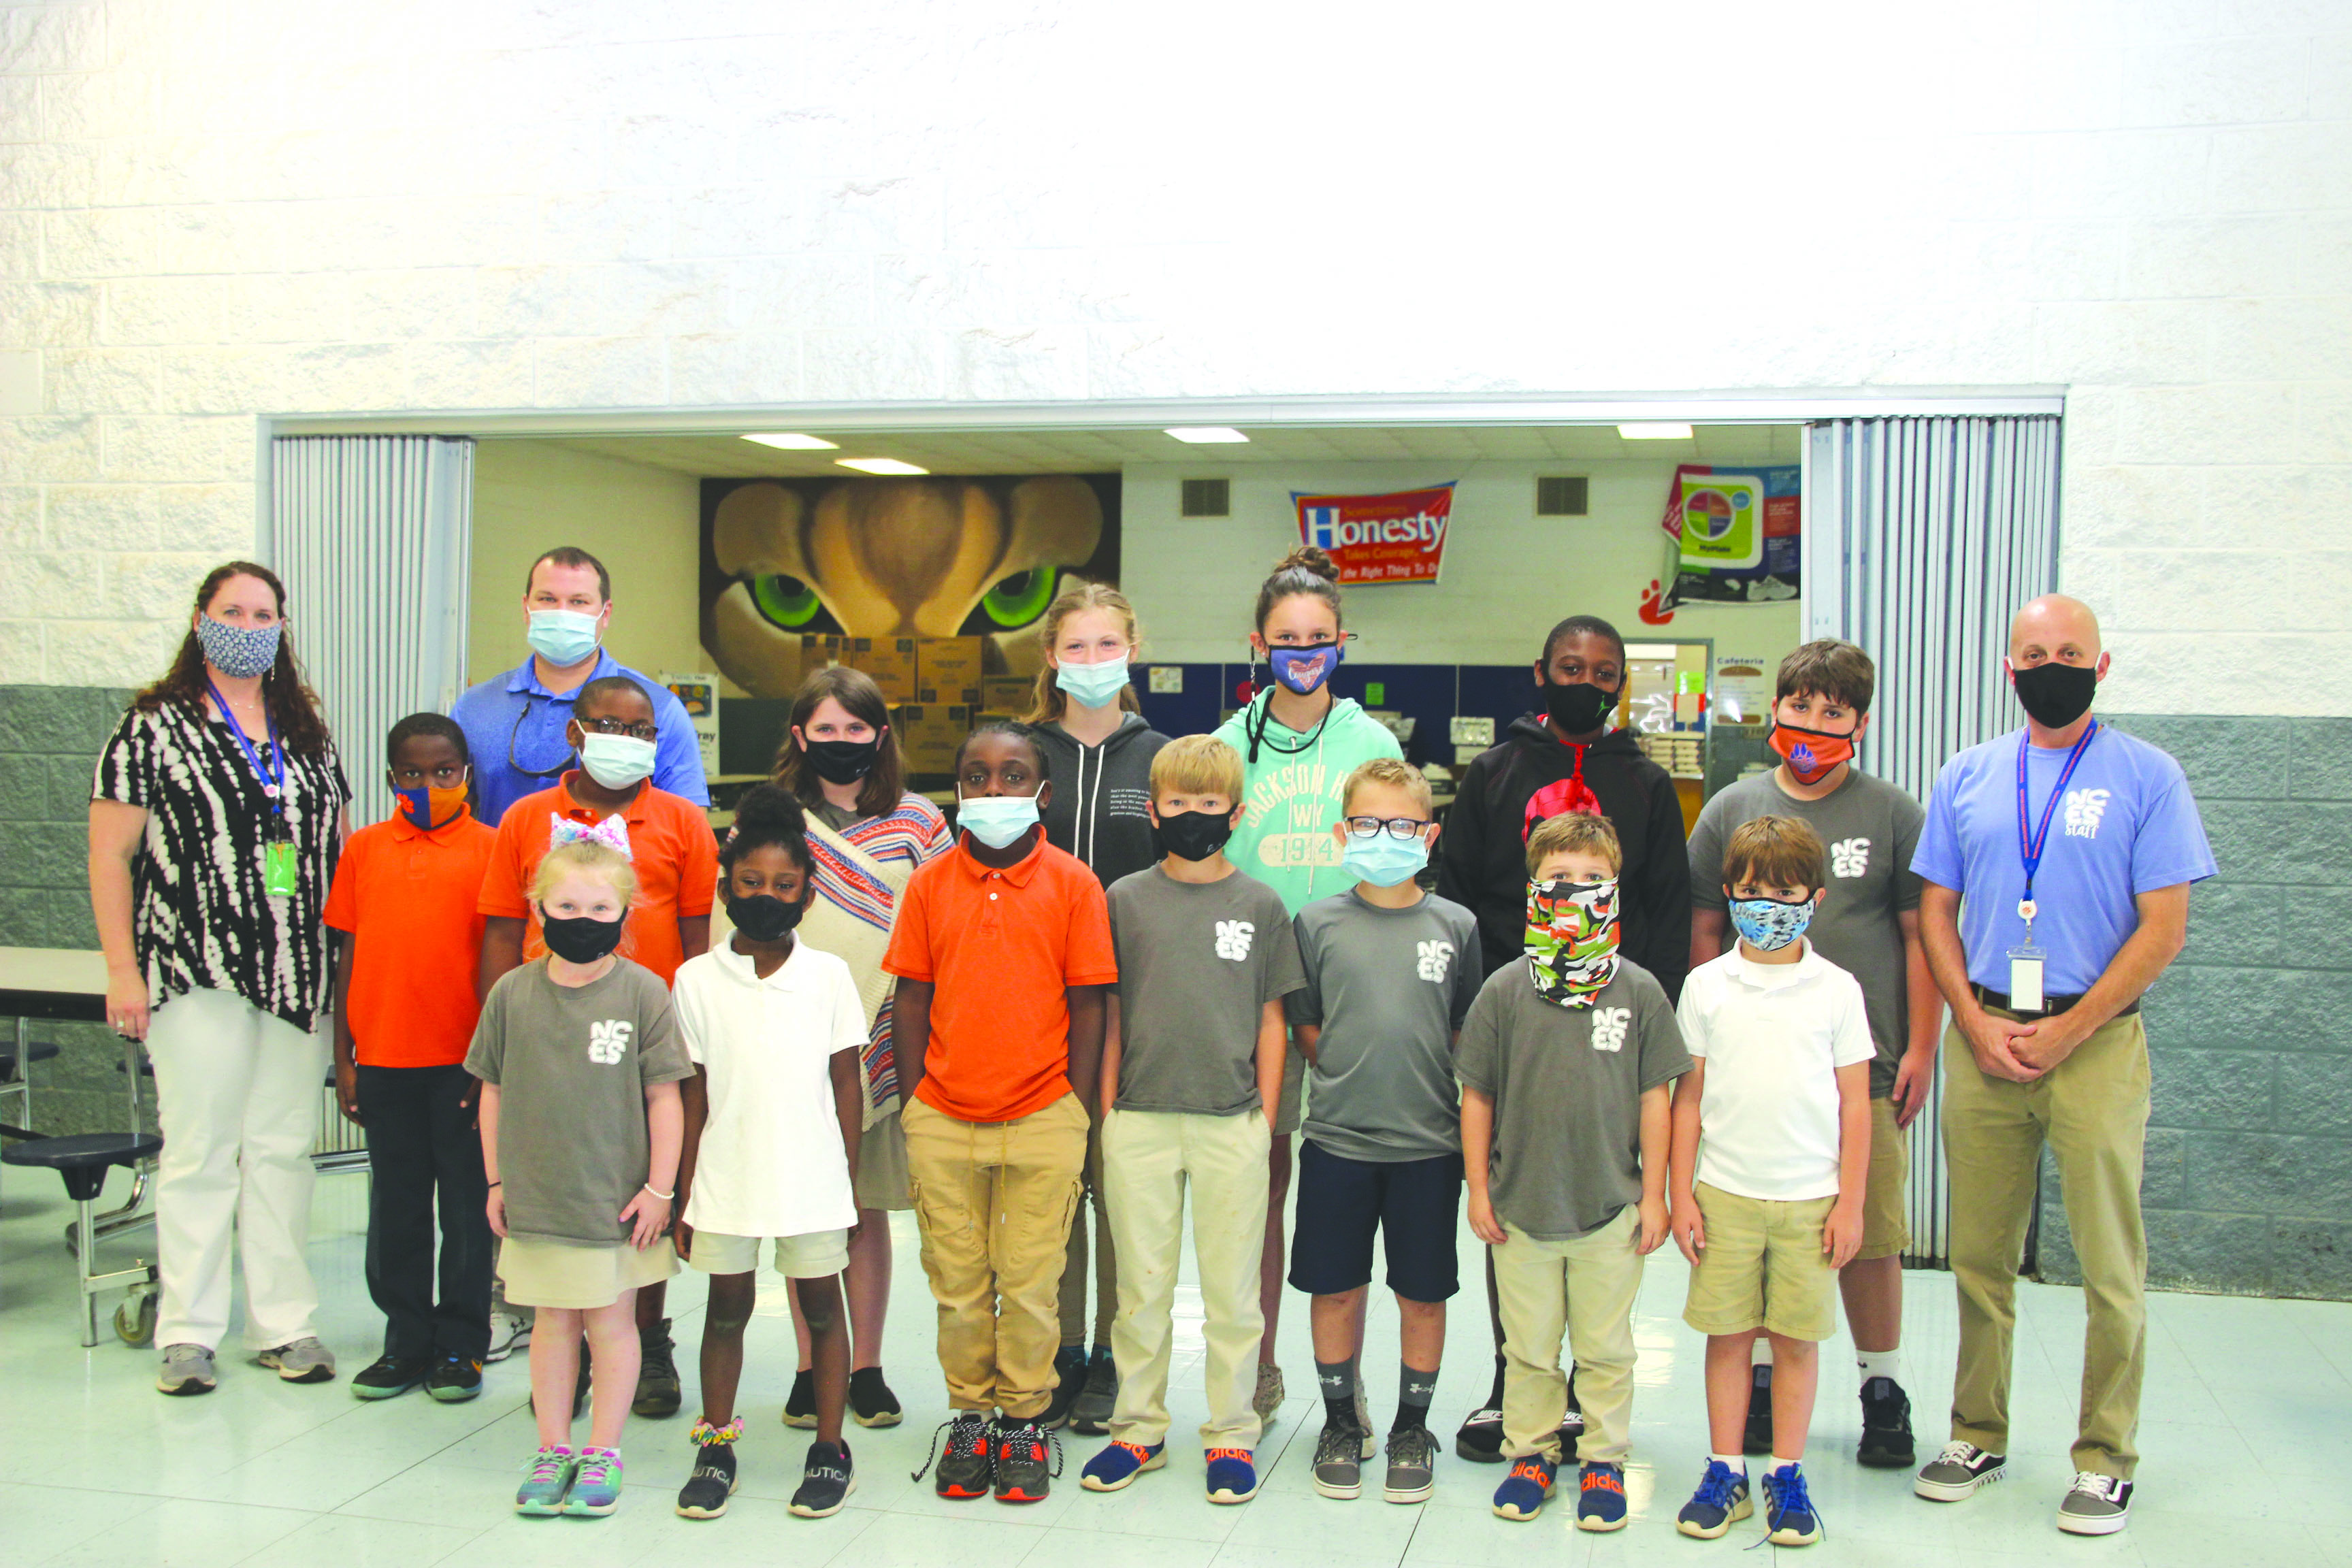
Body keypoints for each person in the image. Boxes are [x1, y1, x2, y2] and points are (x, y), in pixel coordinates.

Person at [1908, 594, 2213, 1538]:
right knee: (1980, 1257)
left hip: (2098, 1044)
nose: (2052, 665)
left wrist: (2076, 1027)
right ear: (2009, 669)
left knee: (2109, 1260)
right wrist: (1970, 1018)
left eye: (2070, 652)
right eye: (2034, 653)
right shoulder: (1970, 775)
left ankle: (2105, 1457)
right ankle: (1977, 1433)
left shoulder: (2147, 777)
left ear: (2102, 665)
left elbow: (2165, 927)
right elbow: (1935, 913)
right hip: (1987, 1039)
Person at [89, 560, 353, 1397]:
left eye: (263, 611)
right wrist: (122, 972)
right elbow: (110, 856)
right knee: (200, 1151)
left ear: (282, 626)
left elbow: (338, 851)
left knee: (281, 1151)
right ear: (202, 619)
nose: (248, 622)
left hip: (295, 975)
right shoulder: (153, 726)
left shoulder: (304, 730)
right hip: (191, 970)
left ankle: (283, 1323)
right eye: (231, 609)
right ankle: (187, 1331)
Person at [1436, 612, 1690, 1462]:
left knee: (1605, 1208)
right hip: (1519, 1017)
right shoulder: (1496, 772)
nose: (1587, 681)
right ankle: (1520, 1391)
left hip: (1616, 1024)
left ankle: (1594, 1395)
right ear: (1539, 673)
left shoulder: (1648, 786)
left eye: (1604, 670)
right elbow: (1462, 893)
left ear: (1621, 682)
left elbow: (1661, 904)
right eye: (1570, 667)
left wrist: (1649, 1010)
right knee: (1521, 1207)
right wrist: (1484, 1006)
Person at [1686, 640, 1936, 1466]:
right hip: (1749, 1067)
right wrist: (1701, 1046)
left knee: (1865, 1234)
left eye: (1835, 712)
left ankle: (1882, 1385)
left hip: (1859, 1064)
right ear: (1777, 712)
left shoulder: (1893, 811)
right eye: (1802, 707)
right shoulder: (1732, 806)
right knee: (1753, 1227)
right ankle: (1758, 1380)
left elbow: (1918, 935)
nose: (1815, 724)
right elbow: (1705, 928)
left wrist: (1922, 1048)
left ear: (1859, 722)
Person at [886, 722, 1117, 1505]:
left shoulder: (1074, 884)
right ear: (957, 791)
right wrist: (920, 1095)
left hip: (1045, 1113)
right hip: (943, 1117)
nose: (994, 793)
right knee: (956, 1283)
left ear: (1042, 794)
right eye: (976, 778)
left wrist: (1076, 1113)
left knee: (1029, 1285)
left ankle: (1022, 1417)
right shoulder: (928, 884)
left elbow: (1090, 1006)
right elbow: (911, 994)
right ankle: (970, 1414)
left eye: (1013, 777)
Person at [476, 672, 717, 1419]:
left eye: (642, 731)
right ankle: (567, 1355)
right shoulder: (524, 817)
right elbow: (500, 930)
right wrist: (493, 1037)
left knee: (638, 1196)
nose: (627, 740)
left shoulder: (683, 821)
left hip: (646, 1045)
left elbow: (699, 941)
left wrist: (694, 1050)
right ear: (575, 733)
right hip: (547, 1041)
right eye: (610, 725)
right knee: (562, 1189)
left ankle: (650, 1339)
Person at [1077, 735, 1305, 1505]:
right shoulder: (1124, 900)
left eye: (1210, 805)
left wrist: (1265, 1117)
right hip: (1138, 1118)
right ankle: (1137, 1429)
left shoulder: (1262, 906)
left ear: (1234, 814)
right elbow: (1108, 1010)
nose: (1194, 816)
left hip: (1232, 1121)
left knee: (1234, 1294)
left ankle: (1232, 1431)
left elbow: (1273, 1019)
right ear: (1154, 811)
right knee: (1141, 1292)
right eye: (1178, 803)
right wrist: (1108, 1110)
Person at [1210, 544, 1404, 1427]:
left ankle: (1343, 1376)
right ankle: (1260, 1366)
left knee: (1348, 1183)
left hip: (1354, 981)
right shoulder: (1225, 746)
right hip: (1254, 989)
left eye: (1317, 636)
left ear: (1341, 642)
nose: (1302, 649)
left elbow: (1397, 866)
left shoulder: (1372, 744)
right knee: (1261, 1184)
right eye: (1287, 636)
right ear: (1261, 642)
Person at [1463, 812, 1687, 1531]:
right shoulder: (1504, 991)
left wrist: (1653, 1195)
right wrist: (1478, 1187)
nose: (1578, 890)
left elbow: (1659, 1099)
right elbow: (1478, 1095)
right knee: (1527, 1348)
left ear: (1617, 890)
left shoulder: (1641, 991)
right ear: (1533, 888)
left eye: (1594, 879)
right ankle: (1530, 1450)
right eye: (1561, 878)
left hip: (1611, 1208)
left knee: (1605, 1348)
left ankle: (1603, 1458)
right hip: (1522, 1207)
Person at [468, 837, 691, 1518]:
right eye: (567, 904)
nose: (583, 918)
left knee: (612, 1323)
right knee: (550, 1324)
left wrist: (660, 1189)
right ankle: (552, 1446)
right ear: (538, 909)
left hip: (616, 1203)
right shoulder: (512, 993)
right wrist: (496, 1181)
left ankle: (604, 1450)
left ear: (626, 911)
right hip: (537, 1196)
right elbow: (493, 1092)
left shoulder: (644, 992)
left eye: (599, 906)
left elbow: (665, 1098)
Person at [1668, 816, 1873, 1550]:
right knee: (1728, 1337)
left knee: (1793, 1340)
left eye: (1787, 893)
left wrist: (1851, 1203)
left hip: (1811, 1199)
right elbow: (1686, 1098)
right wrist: (1680, 1192)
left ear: (1815, 897)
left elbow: (1856, 1104)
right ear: (1729, 895)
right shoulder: (1705, 986)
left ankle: (1787, 1474)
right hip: (1724, 1192)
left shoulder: (1838, 990)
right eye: (1754, 893)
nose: (1770, 907)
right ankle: (1726, 1470)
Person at [1286, 758, 1482, 1507]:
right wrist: (1342, 1067)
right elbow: (1307, 1023)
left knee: (1422, 1294)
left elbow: (1463, 1030)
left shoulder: (1457, 926)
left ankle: (1410, 1425)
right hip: (1337, 1141)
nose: (1385, 837)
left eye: (1402, 825)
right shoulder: (1318, 923)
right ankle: (1342, 1420)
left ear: (1428, 835)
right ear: (1343, 832)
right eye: (1368, 824)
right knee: (1335, 1289)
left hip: (1429, 1147)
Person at [670, 786, 866, 1522]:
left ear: (807, 896)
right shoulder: (692, 981)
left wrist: (843, 1181)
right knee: (724, 1312)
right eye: (750, 884)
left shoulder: (827, 977)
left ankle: (829, 1447)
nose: (767, 896)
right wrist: (685, 1189)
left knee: (822, 1310)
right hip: (724, 1179)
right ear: (726, 890)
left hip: (813, 1179)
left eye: (784, 886)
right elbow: (692, 1096)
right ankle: (715, 1445)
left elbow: (846, 1084)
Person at [770, 665, 953, 1432]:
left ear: (880, 736)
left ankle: (867, 1366)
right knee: (803, 1213)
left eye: (855, 729)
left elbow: (946, 924)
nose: (839, 743)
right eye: (826, 728)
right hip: (794, 1039)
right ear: (799, 734)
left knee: (866, 1211)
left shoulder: (917, 823)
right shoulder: (776, 816)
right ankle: (812, 1367)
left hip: (886, 1041)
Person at [1028, 580, 1169, 1434]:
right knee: (1054, 1181)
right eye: (1074, 648)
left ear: (1132, 648)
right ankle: (1063, 1348)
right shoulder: (1022, 755)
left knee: (1120, 1185)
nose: (1090, 662)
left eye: (1105, 646)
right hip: (1039, 1002)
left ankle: (1117, 1353)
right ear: (1051, 658)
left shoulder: (1162, 755)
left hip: (1134, 999)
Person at [325, 713, 499, 1403]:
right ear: (391, 778)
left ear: (466, 776)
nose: (429, 784)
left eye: (444, 772)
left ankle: (461, 1343)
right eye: (413, 773)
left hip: (462, 1065)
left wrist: (490, 1064)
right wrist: (345, 1058)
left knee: (464, 1207)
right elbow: (348, 954)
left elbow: (501, 966)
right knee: (395, 1205)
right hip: (385, 1063)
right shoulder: (364, 850)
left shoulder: (491, 849)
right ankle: (405, 1338)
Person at [451, 545, 709, 827]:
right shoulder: (475, 707)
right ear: (526, 608)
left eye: (578, 602)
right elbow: (451, 819)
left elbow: (690, 827)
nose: (562, 613)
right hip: (501, 870)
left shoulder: (658, 708)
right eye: (547, 599)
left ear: (606, 613)